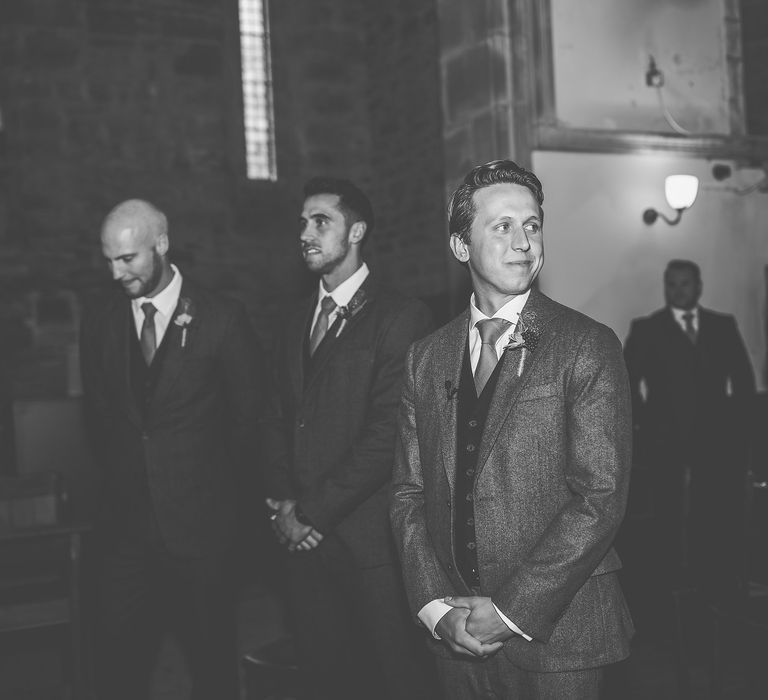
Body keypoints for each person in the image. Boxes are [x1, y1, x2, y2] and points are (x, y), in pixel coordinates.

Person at [390, 159, 634, 699]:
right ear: (460, 246)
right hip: (455, 635)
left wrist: (509, 611)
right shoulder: (425, 359)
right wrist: (434, 607)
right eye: (502, 226)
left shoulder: (585, 344)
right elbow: (409, 494)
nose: (523, 241)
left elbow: (600, 497)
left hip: (562, 634)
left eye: (532, 225)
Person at [260, 177, 437, 700]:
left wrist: (309, 512)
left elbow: (388, 435)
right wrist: (281, 506)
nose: (305, 234)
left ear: (356, 230)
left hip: (367, 542)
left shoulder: (401, 316)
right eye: (302, 223)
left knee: (390, 677)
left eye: (321, 222)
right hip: (303, 545)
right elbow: (272, 417)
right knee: (323, 676)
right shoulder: (293, 320)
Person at [80, 199, 263, 700]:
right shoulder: (98, 324)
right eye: (109, 260)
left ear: (161, 245)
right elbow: (99, 421)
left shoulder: (222, 317)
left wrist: (229, 516)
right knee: (116, 669)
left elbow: (250, 425)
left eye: (129, 258)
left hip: (202, 539)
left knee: (212, 670)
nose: (117, 272)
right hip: (125, 538)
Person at [624, 259, 755, 597]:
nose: (678, 290)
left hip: (715, 439)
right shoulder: (647, 329)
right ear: (665, 287)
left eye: (685, 284)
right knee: (668, 510)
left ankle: (711, 578)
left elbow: (743, 382)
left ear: (698, 287)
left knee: (712, 508)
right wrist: (643, 426)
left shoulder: (722, 326)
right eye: (672, 284)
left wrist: (734, 429)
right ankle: (670, 583)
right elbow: (627, 384)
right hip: (664, 438)